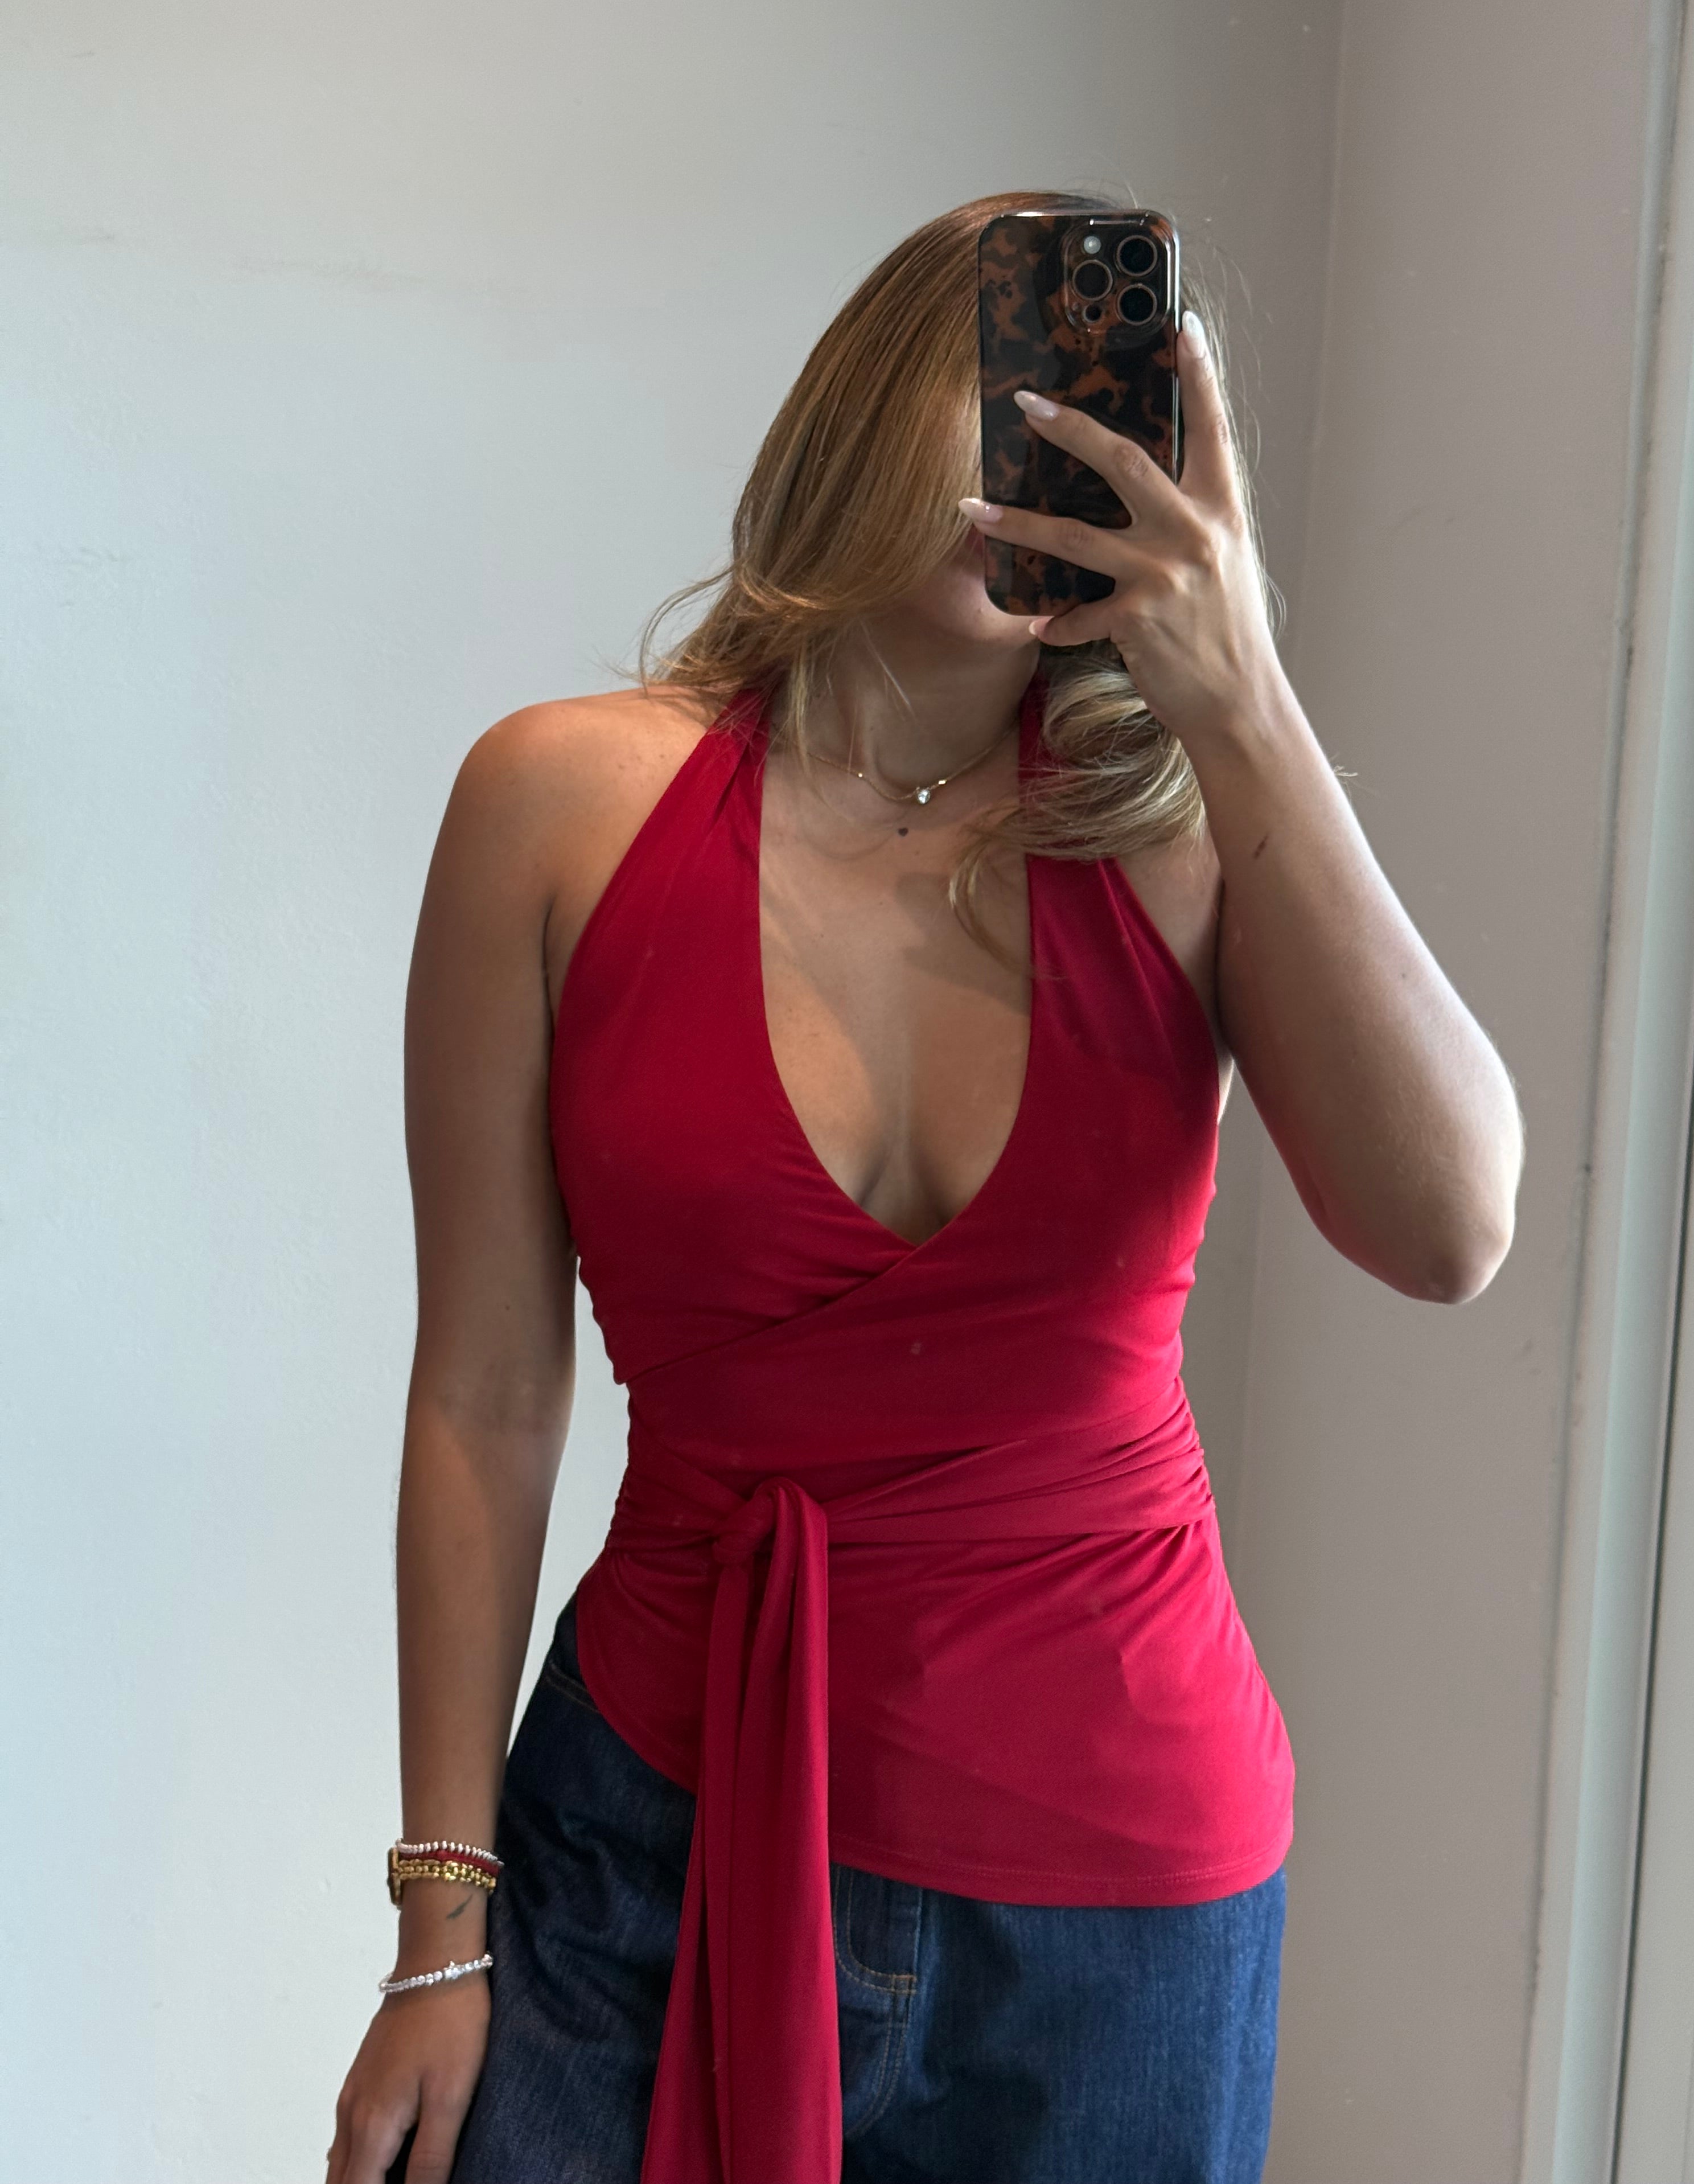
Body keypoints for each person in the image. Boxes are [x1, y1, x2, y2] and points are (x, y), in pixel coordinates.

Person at [325, 189, 1523, 2184]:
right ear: (871, 399)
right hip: (647, 1829)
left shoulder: (1189, 847)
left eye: (1115, 409)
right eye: (1012, 379)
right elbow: (485, 1396)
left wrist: (1242, 696)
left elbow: (1453, 1226)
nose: (1055, 447)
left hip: (1117, 1900)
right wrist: (439, 1926)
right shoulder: (559, 803)